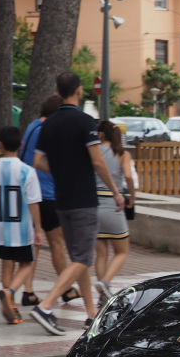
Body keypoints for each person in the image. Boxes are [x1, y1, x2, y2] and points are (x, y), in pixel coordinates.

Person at [29, 71, 124, 335]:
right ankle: (45, 307)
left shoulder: (48, 124)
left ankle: (91, 314)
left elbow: (37, 161)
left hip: (62, 199)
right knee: (82, 258)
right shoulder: (85, 121)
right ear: (79, 90)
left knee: (78, 258)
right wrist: (116, 191)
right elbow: (97, 160)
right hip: (83, 198)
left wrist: (60, 172)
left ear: (58, 92)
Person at [17, 94, 73, 307]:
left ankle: (28, 290)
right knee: (57, 243)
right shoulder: (48, 131)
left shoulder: (32, 126)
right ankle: (66, 288)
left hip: (29, 194)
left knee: (35, 244)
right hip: (47, 193)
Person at [0, 125, 42, 323]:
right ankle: (10, 292)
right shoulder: (27, 171)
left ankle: (11, 308)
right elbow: (33, 202)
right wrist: (38, 229)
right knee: (27, 263)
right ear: (21, 144)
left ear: (0, 144)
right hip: (21, 227)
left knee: (6, 264)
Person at [93, 119, 135, 303]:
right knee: (122, 251)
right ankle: (105, 283)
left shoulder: (93, 152)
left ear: (100, 134)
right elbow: (127, 175)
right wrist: (132, 196)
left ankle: (102, 295)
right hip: (113, 204)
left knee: (101, 253)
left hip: (93, 205)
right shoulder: (122, 154)